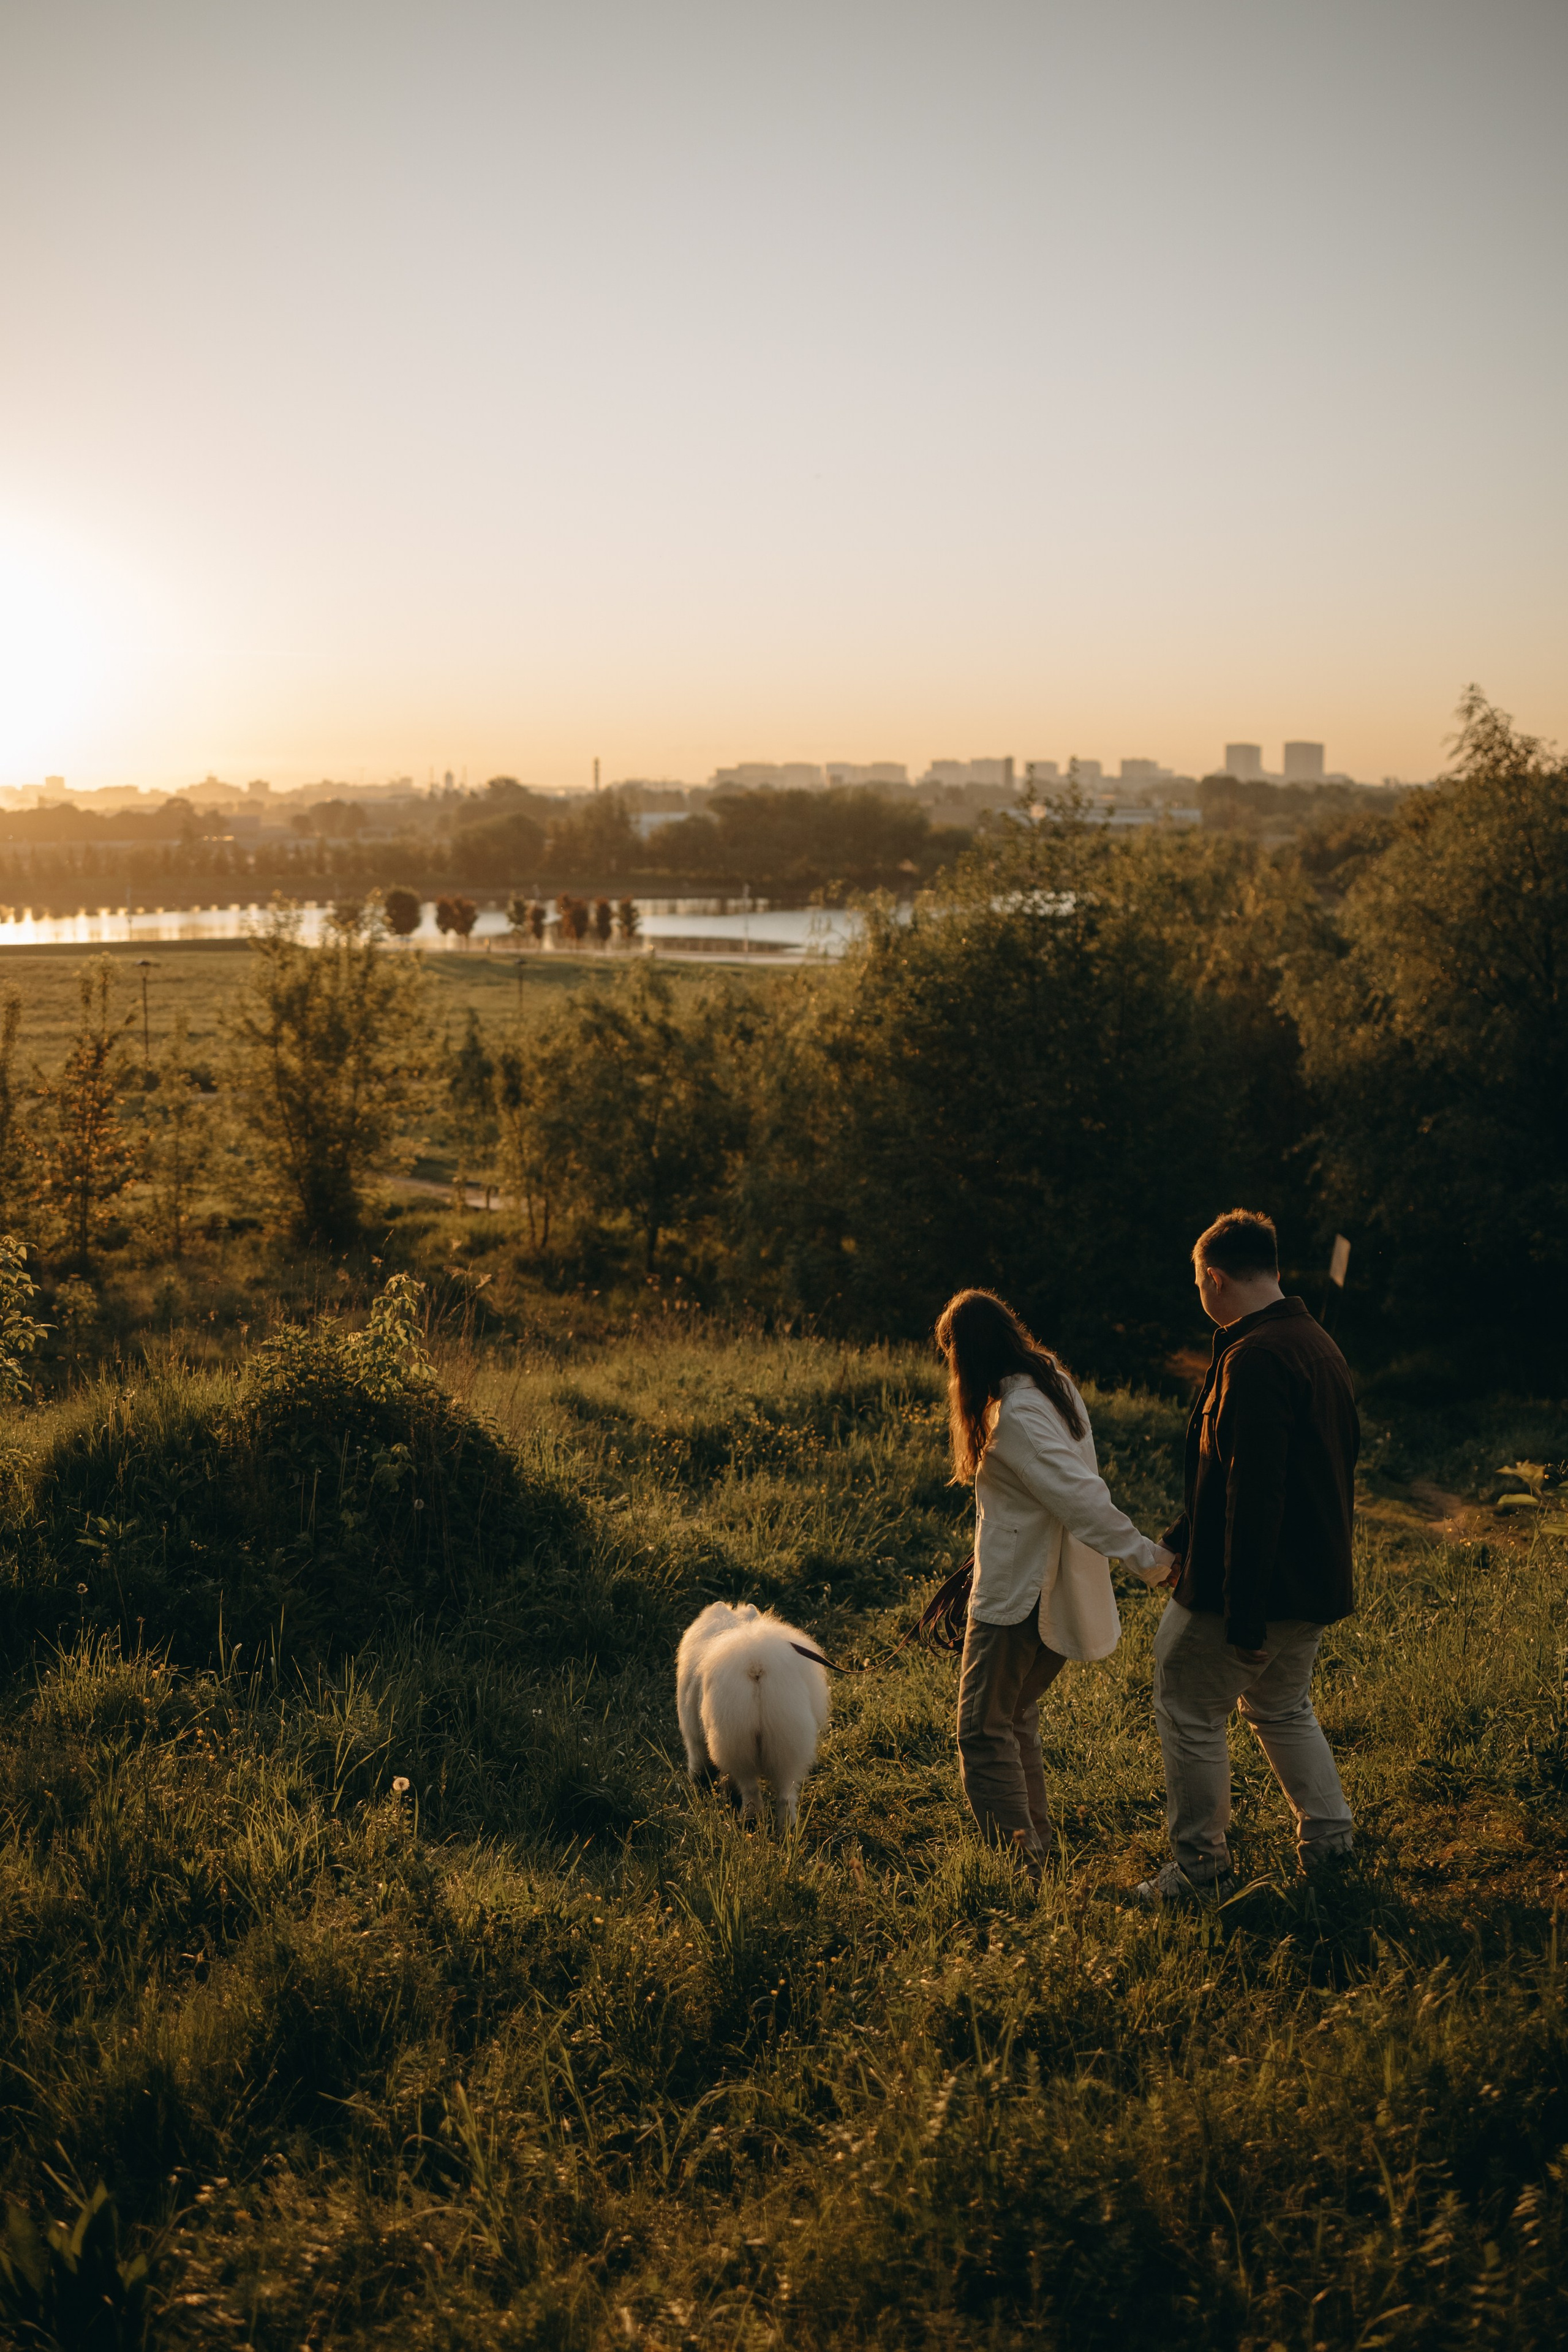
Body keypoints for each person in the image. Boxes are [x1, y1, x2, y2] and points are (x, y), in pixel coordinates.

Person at [1135, 1208, 1359, 1908]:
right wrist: (1178, 1535)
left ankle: (1199, 1871)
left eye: (1198, 1283)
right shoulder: (1313, 1341)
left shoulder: (1256, 1358)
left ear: (1213, 1277)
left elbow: (1255, 1496)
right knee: (1283, 1706)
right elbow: (1242, 1473)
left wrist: (1243, 1616)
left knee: (1185, 1699)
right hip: (1313, 1581)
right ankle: (1331, 1844)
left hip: (1256, 1588)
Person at [935, 1288, 1175, 1883]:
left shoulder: (1015, 1411)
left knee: (981, 1729)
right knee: (1013, 1717)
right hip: (1031, 1579)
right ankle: (1035, 1844)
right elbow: (1042, 1495)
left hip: (1021, 1596)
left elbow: (1077, 1496)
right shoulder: (1050, 1385)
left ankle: (1019, 1866)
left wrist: (1150, 1560)